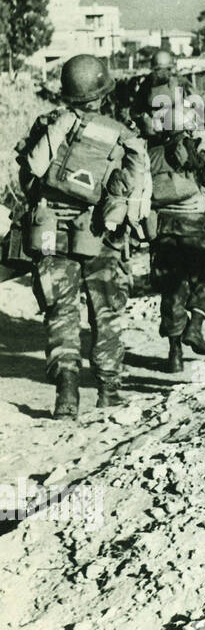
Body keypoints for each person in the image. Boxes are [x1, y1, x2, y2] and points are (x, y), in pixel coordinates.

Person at [14, 54, 150, 417]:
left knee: (61, 311)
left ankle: (66, 394)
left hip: (51, 231)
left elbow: (28, 179)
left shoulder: (48, 125)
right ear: (103, 92)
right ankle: (108, 391)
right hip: (100, 233)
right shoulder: (120, 133)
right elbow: (133, 189)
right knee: (106, 312)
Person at [129, 87, 205, 374]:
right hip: (195, 224)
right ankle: (195, 324)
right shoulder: (195, 150)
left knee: (173, 287)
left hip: (162, 228)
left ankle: (174, 353)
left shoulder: (145, 151)